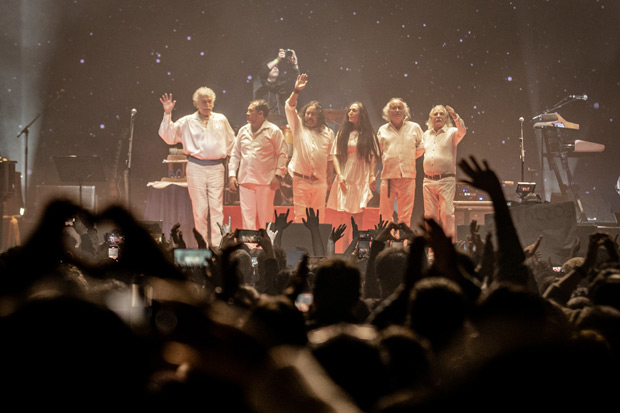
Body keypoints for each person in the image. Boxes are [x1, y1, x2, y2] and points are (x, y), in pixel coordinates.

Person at [159, 87, 235, 248]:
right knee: (200, 210)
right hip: (196, 167)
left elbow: (231, 143)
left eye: (210, 101)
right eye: (203, 101)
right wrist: (167, 114)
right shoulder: (187, 121)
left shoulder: (221, 119)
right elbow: (168, 136)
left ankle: (217, 247)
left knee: (217, 209)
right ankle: (203, 245)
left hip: (216, 167)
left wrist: (231, 168)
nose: (207, 104)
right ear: (196, 104)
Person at [228, 99, 288, 230]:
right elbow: (235, 154)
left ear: (260, 113)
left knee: (265, 219)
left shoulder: (273, 131)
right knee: (247, 218)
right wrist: (232, 175)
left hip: (265, 182)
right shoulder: (243, 131)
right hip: (245, 181)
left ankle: (266, 247)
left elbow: (283, 154)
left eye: (251, 111)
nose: (247, 113)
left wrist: (278, 175)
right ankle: (249, 248)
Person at [327, 102, 380, 246]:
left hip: (361, 177)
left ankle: (361, 251)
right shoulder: (343, 132)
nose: (350, 112)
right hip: (346, 176)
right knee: (345, 218)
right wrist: (340, 175)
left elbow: (373, 156)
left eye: (354, 110)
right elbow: (335, 155)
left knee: (359, 218)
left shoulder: (369, 134)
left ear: (361, 114)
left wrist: (371, 176)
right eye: (349, 110)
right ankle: (345, 251)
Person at [285, 73, 335, 223]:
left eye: (313, 114)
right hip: (301, 181)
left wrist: (329, 180)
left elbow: (330, 158)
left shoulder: (328, 133)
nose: (309, 116)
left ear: (319, 117)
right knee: (300, 218)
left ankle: (316, 247)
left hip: (320, 182)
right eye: (307, 113)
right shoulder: (298, 126)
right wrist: (296, 90)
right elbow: (289, 107)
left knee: (318, 219)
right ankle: (301, 246)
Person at [377, 98, 425, 227]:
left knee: (405, 215)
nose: (397, 110)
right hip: (388, 178)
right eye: (394, 108)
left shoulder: (414, 127)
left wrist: (408, 157)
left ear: (405, 111)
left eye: (400, 107)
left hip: (408, 177)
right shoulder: (382, 130)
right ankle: (387, 244)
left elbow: (422, 146)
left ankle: (402, 245)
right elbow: (377, 151)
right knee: (385, 214)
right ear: (388, 111)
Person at [422, 104, 466, 242]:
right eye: (436, 114)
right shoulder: (425, 135)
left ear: (446, 117)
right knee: (430, 217)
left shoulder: (452, 132)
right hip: (428, 181)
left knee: (447, 214)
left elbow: (463, 131)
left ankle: (449, 248)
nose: (439, 116)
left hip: (446, 180)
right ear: (431, 117)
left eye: (442, 114)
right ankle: (432, 249)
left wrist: (455, 116)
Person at [253, 48, 300, 121]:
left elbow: (296, 80)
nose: (275, 68)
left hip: (281, 122)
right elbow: (263, 71)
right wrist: (277, 59)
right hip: (263, 122)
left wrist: (294, 64)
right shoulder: (259, 84)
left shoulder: (281, 86)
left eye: (277, 67)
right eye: (273, 67)